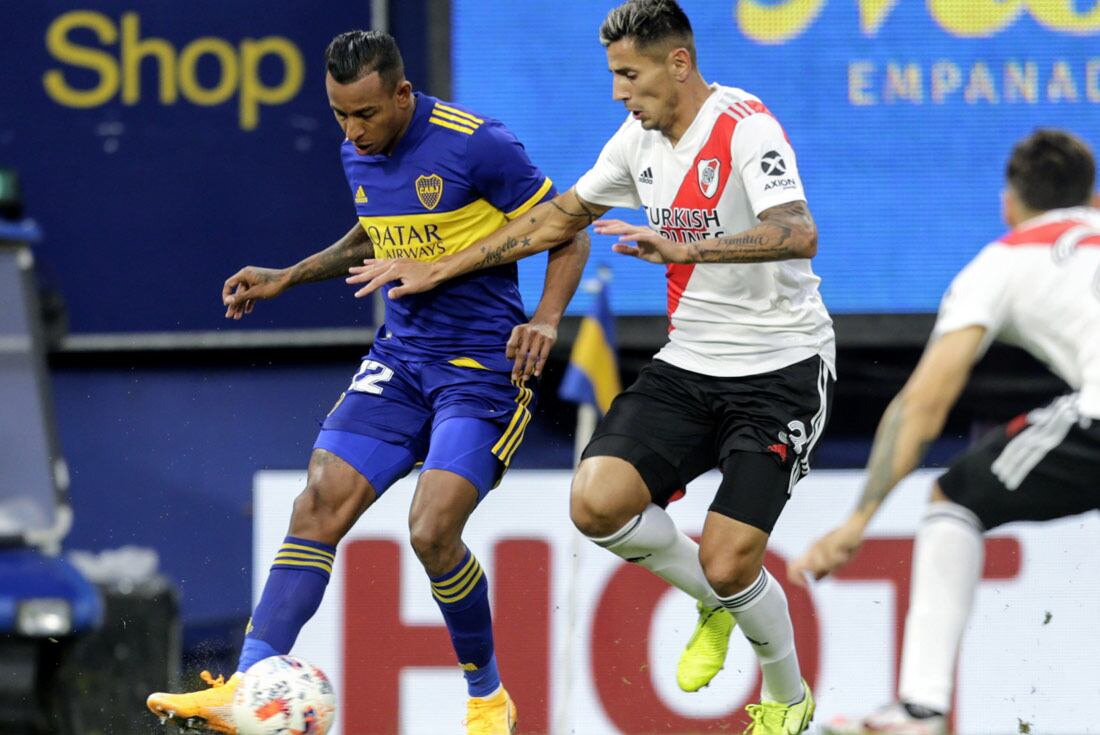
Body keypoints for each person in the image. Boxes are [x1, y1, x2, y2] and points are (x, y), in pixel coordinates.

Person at [348, 1, 834, 731]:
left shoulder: (746, 127)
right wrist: (439, 265)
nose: (618, 91)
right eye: (614, 75)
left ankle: (787, 698)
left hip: (782, 368)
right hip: (692, 362)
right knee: (596, 502)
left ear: (678, 64)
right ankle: (710, 595)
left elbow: (799, 233)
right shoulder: (634, 142)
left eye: (628, 74)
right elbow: (557, 219)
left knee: (735, 560)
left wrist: (688, 249)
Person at [146, 30, 587, 735]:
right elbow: (372, 231)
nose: (354, 131)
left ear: (403, 94)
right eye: (340, 116)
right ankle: (248, 679)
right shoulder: (359, 147)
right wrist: (288, 275)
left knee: (432, 526)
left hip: (479, 369)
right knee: (319, 498)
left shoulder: (478, 144)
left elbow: (567, 229)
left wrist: (546, 317)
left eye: (366, 115)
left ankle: (487, 698)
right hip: (403, 359)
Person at [788, 129, 1100, 735]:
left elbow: (923, 403)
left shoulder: (1002, 261)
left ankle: (920, 710)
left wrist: (858, 522)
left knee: (955, 497)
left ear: (1009, 203)